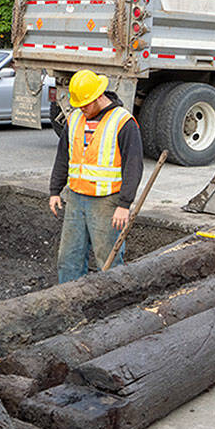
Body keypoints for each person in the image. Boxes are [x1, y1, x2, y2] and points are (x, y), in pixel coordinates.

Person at [49, 69, 144, 283]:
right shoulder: (75, 118)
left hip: (106, 201)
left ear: (99, 96)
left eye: (86, 104)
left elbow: (133, 165)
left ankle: (113, 304)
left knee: (108, 260)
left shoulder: (123, 122)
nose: (83, 108)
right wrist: (55, 191)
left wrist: (124, 204)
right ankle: (70, 301)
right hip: (76, 198)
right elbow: (63, 156)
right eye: (80, 105)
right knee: (69, 258)